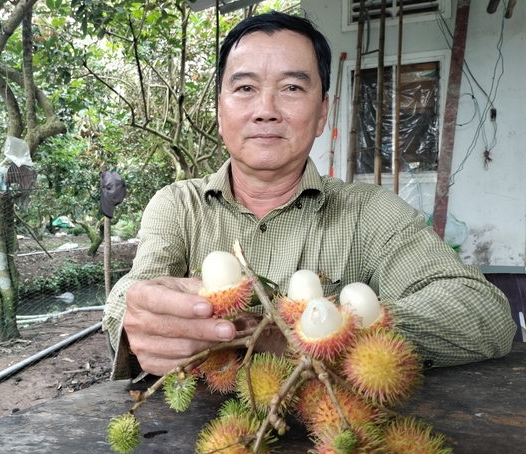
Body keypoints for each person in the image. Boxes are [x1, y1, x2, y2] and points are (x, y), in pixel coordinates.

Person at [103, 11, 516, 380]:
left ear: (322, 113)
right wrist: (143, 320)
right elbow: (131, 294)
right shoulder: (178, 206)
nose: (265, 109)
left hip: (337, 435)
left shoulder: (370, 213)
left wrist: (317, 331)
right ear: (220, 110)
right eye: (244, 88)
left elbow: (483, 311)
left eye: (292, 89)